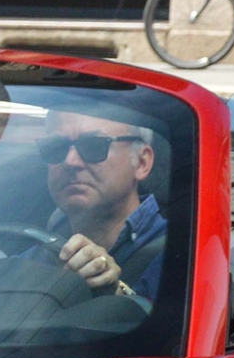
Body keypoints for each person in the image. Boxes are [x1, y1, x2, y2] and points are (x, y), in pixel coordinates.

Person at [35, 107, 169, 304]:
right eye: (57, 147)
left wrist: (118, 299)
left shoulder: (184, 256)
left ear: (141, 162)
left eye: (94, 145)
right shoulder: (29, 255)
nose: (71, 161)